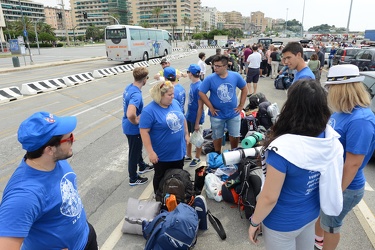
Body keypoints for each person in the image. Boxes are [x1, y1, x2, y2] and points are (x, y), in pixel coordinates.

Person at [248, 79, 344, 250]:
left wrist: (255, 221)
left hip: (281, 222)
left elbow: (270, 197)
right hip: (310, 215)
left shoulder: (282, 148)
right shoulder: (328, 139)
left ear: (291, 106)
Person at [0, 111, 98, 249]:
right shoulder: (24, 195)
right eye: (68, 138)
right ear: (49, 149)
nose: (73, 140)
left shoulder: (55, 160)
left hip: (85, 236)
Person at [314, 64, 375, 250]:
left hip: (345, 186)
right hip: (333, 180)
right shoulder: (343, 111)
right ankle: (316, 243)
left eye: (331, 88)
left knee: (331, 225)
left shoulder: (360, 120)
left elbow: (353, 163)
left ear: (342, 89)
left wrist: (335, 192)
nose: (329, 92)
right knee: (322, 218)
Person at [139, 81, 189, 193]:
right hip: (163, 155)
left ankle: (176, 197)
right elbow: (144, 132)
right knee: (161, 178)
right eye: (169, 95)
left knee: (178, 176)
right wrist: (151, 152)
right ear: (160, 95)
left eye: (173, 94)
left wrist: (186, 134)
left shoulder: (175, 103)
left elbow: (182, 118)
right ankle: (159, 197)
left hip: (178, 151)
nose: (173, 96)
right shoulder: (149, 111)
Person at [199, 55, 247, 153]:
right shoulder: (210, 79)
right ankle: (217, 153)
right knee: (217, 135)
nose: (215, 68)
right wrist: (211, 107)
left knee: (235, 134)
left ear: (225, 66)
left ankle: (234, 152)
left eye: (218, 66)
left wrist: (241, 105)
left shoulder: (235, 76)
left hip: (233, 113)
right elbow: (201, 92)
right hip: (217, 114)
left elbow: (244, 88)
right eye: (214, 65)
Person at [122, 67, 154, 186]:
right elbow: (130, 113)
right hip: (132, 129)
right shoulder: (136, 95)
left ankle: (142, 166)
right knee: (134, 153)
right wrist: (136, 121)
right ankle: (133, 178)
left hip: (126, 126)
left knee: (137, 149)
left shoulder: (129, 87)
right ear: (144, 79)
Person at [185, 64, 205, 167]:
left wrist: (197, 122)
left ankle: (197, 157)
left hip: (196, 118)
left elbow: (200, 107)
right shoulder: (193, 84)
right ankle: (188, 155)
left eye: (188, 72)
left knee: (197, 138)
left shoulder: (199, 87)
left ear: (191, 74)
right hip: (189, 115)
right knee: (187, 136)